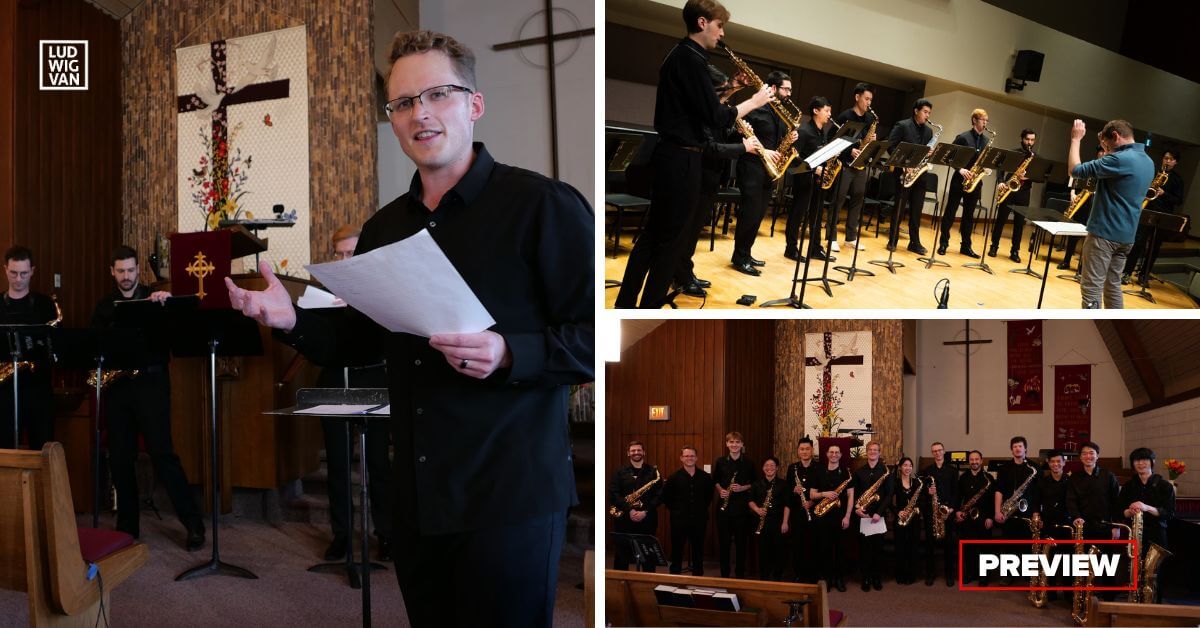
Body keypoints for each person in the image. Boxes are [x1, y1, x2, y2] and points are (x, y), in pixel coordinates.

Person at [226, 29, 593, 627]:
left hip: (509, 495)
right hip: (418, 495)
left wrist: (508, 353)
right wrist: (289, 317)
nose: (419, 113)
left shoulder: (543, 206)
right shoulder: (385, 227)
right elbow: (362, 340)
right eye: (402, 103)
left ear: (473, 104)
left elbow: (593, 336)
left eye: (437, 94)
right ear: (393, 121)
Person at [614, 0, 770, 308]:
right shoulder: (691, 59)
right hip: (682, 159)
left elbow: (698, 107)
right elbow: (714, 117)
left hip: (673, 156)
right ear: (702, 22)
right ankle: (649, 307)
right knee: (671, 242)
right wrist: (754, 101)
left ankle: (626, 303)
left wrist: (730, 90)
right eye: (719, 26)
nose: (721, 34)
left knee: (652, 235)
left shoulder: (682, 55)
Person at [90, 245, 205, 551]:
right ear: (111, 272)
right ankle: (128, 527)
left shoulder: (154, 299)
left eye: (130, 270)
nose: (126, 276)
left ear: (137, 269)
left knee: (163, 454)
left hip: (151, 385)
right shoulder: (103, 307)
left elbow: (175, 333)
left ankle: (193, 524)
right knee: (121, 458)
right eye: (120, 271)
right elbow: (95, 348)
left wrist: (164, 306)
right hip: (118, 388)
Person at [314, 226, 393, 562]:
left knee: (377, 462)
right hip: (334, 379)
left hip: (371, 377)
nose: (344, 260)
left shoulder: (382, 289)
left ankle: (386, 533)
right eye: (340, 254)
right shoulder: (324, 290)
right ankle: (342, 534)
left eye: (351, 253)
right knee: (338, 463)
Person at [672, 66, 762, 299]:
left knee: (693, 231)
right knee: (688, 232)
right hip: (699, 175)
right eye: (723, 90)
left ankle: (686, 272)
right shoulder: (702, 112)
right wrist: (743, 147)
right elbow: (711, 148)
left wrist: (741, 135)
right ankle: (680, 277)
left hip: (711, 178)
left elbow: (723, 136)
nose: (727, 94)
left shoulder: (716, 110)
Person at [1067, 119, 1155, 309]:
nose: (1105, 148)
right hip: (1126, 237)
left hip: (1103, 235)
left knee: (1091, 290)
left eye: (1106, 144)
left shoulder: (1119, 159)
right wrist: (1108, 149)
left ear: (1115, 136)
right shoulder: (1148, 161)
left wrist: (1076, 139)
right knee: (1112, 287)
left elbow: (1075, 171)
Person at [731, 70, 794, 276]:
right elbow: (738, 134)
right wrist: (763, 150)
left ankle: (746, 253)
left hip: (768, 170)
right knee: (749, 214)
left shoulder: (780, 114)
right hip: (751, 166)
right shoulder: (756, 108)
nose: (789, 94)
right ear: (773, 88)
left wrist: (789, 139)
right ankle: (739, 258)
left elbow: (777, 143)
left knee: (758, 215)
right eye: (786, 89)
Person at [0, 245, 57, 451]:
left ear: (32, 271)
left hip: (38, 390)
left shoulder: (45, 305)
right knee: (4, 450)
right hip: (4, 391)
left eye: (24, 273)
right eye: (13, 273)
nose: (18, 279)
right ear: (5, 269)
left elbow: (55, 345)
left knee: (41, 449)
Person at [1116, 447, 1175, 602]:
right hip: (1135, 535)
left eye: (1144, 460)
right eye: (1137, 460)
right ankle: (1135, 603)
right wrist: (1130, 511)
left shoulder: (1165, 486)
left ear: (1152, 462)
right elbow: (1119, 512)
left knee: (1156, 574)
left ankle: (1155, 605)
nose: (1140, 464)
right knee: (1134, 571)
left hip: (1156, 535)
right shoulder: (1128, 486)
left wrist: (1146, 507)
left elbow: (1169, 513)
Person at [1066, 442, 1121, 593]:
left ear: (1097, 456)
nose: (1088, 456)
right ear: (1080, 457)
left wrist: (1116, 526)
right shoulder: (1074, 478)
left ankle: (1109, 598)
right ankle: (1082, 596)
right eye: (1084, 453)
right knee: (1082, 564)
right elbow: (1070, 500)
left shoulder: (1108, 475)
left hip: (1105, 527)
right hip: (1084, 527)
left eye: (1091, 453)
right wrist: (1076, 516)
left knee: (1107, 563)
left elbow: (1117, 502)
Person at [783, 96, 833, 262]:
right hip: (804, 178)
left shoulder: (822, 132)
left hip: (818, 179)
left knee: (817, 215)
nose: (829, 114)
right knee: (798, 213)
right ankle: (791, 249)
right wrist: (815, 167)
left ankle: (815, 248)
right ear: (815, 111)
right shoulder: (804, 131)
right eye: (826, 110)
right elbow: (794, 156)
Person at [828, 82, 877, 253]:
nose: (869, 103)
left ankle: (850, 238)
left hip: (860, 166)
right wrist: (850, 150)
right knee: (838, 200)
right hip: (844, 164)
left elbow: (867, 141)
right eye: (866, 99)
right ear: (857, 97)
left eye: (871, 100)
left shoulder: (870, 119)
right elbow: (832, 139)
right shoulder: (844, 117)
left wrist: (871, 142)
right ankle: (831, 237)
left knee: (857, 201)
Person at [1125, 149, 1186, 283]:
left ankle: (1143, 276)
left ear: (1175, 162)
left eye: (1170, 159)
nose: (1167, 161)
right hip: (1147, 211)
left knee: (1154, 247)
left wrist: (1164, 194)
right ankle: (1126, 272)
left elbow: (1179, 200)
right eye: (1165, 158)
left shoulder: (1177, 180)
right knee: (1138, 243)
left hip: (1162, 215)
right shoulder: (1153, 173)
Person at [937, 109, 991, 259]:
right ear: (974, 120)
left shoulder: (987, 141)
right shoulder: (963, 137)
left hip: (975, 182)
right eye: (982, 120)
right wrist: (960, 169)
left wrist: (986, 168)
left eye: (987, 120)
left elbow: (985, 161)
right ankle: (943, 243)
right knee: (950, 212)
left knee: (969, 216)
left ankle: (966, 246)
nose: (985, 123)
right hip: (959, 180)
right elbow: (949, 156)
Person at [884, 99, 934, 254]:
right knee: (899, 207)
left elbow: (925, 154)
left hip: (920, 175)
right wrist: (904, 165)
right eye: (925, 112)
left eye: (929, 113)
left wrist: (929, 153)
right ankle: (893, 240)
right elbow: (891, 147)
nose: (927, 116)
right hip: (903, 173)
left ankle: (914, 242)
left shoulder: (929, 132)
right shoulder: (902, 125)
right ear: (916, 111)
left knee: (917, 210)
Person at [992, 436, 1040, 584]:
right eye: (1015, 447)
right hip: (1008, 512)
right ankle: (1008, 575)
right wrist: (997, 511)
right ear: (1011, 449)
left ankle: (1028, 576)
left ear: (1025, 448)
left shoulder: (1034, 467)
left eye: (1020, 446)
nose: (1018, 449)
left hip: (1027, 512)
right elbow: (998, 491)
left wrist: (1036, 513)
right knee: (1008, 544)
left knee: (1027, 545)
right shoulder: (1005, 468)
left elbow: (1038, 493)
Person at [610, 441, 663, 571]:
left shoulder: (653, 472)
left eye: (639, 450)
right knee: (621, 555)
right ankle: (620, 584)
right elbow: (613, 494)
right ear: (628, 453)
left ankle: (647, 585)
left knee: (648, 555)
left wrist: (645, 511)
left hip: (647, 518)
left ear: (643, 452)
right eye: (633, 450)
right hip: (624, 518)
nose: (636, 452)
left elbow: (659, 495)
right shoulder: (620, 472)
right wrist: (630, 510)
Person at [661, 446, 714, 575]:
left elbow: (709, 497)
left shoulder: (705, 477)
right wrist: (677, 511)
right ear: (681, 458)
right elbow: (666, 497)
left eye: (692, 456)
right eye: (686, 456)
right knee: (677, 550)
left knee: (698, 550)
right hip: (679, 520)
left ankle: (697, 576)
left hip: (699, 520)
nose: (689, 458)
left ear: (696, 458)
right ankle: (675, 576)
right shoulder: (674, 477)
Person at [989, 129, 1037, 262]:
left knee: (1019, 223)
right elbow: (1000, 167)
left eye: (1032, 140)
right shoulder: (1013, 153)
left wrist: (1029, 176)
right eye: (1027, 139)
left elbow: (1041, 177)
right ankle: (994, 246)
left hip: (1024, 192)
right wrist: (1000, 181)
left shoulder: (1035, 156)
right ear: (1022, 139)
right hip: (1009, 189)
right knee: (1001, 220)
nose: (1030, 142)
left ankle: (1015, 251)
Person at [810, 443, 853, 591]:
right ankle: (827, 579)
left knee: (841, 549)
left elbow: (851, 497)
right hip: (823, 517)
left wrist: (847, 516)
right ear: (827, 454)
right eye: (831, 452)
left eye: (837, 452)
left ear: (840, 455)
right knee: (824, 549)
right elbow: (812, 494)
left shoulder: (846, 473)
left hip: (840, 517)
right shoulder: (819, 472)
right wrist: (824, 494)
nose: (834, 455)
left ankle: (839, 578)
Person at [713, 431, 756, 578]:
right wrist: (721, 490)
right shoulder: (720, 461)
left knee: (741, 543)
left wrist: (742, 488)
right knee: (724, 544)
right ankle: (725, 574)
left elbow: (754, 484)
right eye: (731, 442)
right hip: (724, 509)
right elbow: (716, 480)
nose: (734, 445)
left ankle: (739, 575)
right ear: (727, 444)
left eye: (737, 442)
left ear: (742, 444)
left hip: (742, 508)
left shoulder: (749, 463)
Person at [1058, 145, 1105, 271]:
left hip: (1096, 206)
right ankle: (1066, 261)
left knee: (1089, 238)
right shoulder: (1091, 166)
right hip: (1083, 203)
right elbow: (1076, 179)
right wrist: (1073, 192)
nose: (1102, 154)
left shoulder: (1107, 170)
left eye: (1104, 152)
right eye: (1100, 152)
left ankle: (1082, 267)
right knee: (1074, 233)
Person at [854, 442, 892, 591]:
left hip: (878, 515)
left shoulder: (885, 472)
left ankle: (876, 577)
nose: (872, 452)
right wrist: (857, 509)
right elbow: (855, 494)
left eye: (875, 450)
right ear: (866, 452)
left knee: (878, 549)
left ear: (879, 452)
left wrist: (879, 512)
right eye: (870, 450)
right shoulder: (859, 472)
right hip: (863, 515)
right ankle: (866, 578)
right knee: (864, 549)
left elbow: (889, 494)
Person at [920, 441, 958, 586]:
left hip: (947, 512)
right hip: (932, 512)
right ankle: (930, 574)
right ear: (932, 453)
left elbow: (956, 492)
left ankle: (949, 575)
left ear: (944, 451)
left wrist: (951, 509)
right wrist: (927, 491)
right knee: (930, 546)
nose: (937, 453)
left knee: (949, 545)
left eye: (939, 450)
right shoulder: (926, 471)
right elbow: (921, 491)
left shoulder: (953, 470)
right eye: (934, 451)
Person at [955, 450, 993, 585]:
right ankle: (969, 573)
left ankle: (984, 576)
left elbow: (992, 500)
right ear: (969, 461)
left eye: (977, 459)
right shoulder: (963, 477)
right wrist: (958, 511)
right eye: (971, 459)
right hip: (968, 517)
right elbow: (958, 497)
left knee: (984, 549)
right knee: (968, 548)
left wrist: (990, 517)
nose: (974, 462)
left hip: (984, 517)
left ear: (981, 460)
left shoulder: (988, 478)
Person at [749, 456, 790, 581]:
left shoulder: (783, 484)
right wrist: (757, 509)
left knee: (778, 550)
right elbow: (750, 501)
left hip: (778, 521)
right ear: (763, 468)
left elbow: (787, 505)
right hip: (761, 522)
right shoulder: (756, 484)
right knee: (763, 550)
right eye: (766, 465)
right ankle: (764, 576)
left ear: (777, 468)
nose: (769, 468)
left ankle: (777, 576)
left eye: (772, 465)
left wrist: (785, 522)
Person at [1037, 451, 1070, 600]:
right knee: (1048, 559)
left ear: (1064, 463)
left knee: (1067, 560)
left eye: (1059, 462)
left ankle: (1069, 593)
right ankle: (1050, 592)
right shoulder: (1042, 482)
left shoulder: (1071, 481)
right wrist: (1036, 514)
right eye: (1052, 462)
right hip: (1048, 525)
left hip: (1067, 526)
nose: (1056, 464)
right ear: (1048, 463)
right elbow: (1037, 502)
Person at [785, 436, 818, 583]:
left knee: (812, 543)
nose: (804, 452)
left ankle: (811, 575)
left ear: (812, 451)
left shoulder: (819, 467)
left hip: (813, 512)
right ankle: (798, 574)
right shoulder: (792, 468)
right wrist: (793, 489)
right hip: (797, 513)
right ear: (798, 451)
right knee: (797, 544)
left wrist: (812, 501)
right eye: (802, 449)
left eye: (807, 449)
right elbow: (787, 490)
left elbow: (823, 489)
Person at [890, 457, 922, 585]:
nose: (908, 468)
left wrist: (916, 508)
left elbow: (922, 500)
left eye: (910, 465)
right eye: (905, 465)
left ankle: (911, 574)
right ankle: (900, 574)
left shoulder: (917, 483)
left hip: (914, 519)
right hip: (900, 518)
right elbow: (888, 501)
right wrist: (898, 511)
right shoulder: (895, 482)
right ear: (900, 467)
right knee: (900, 547)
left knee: (913, 547)